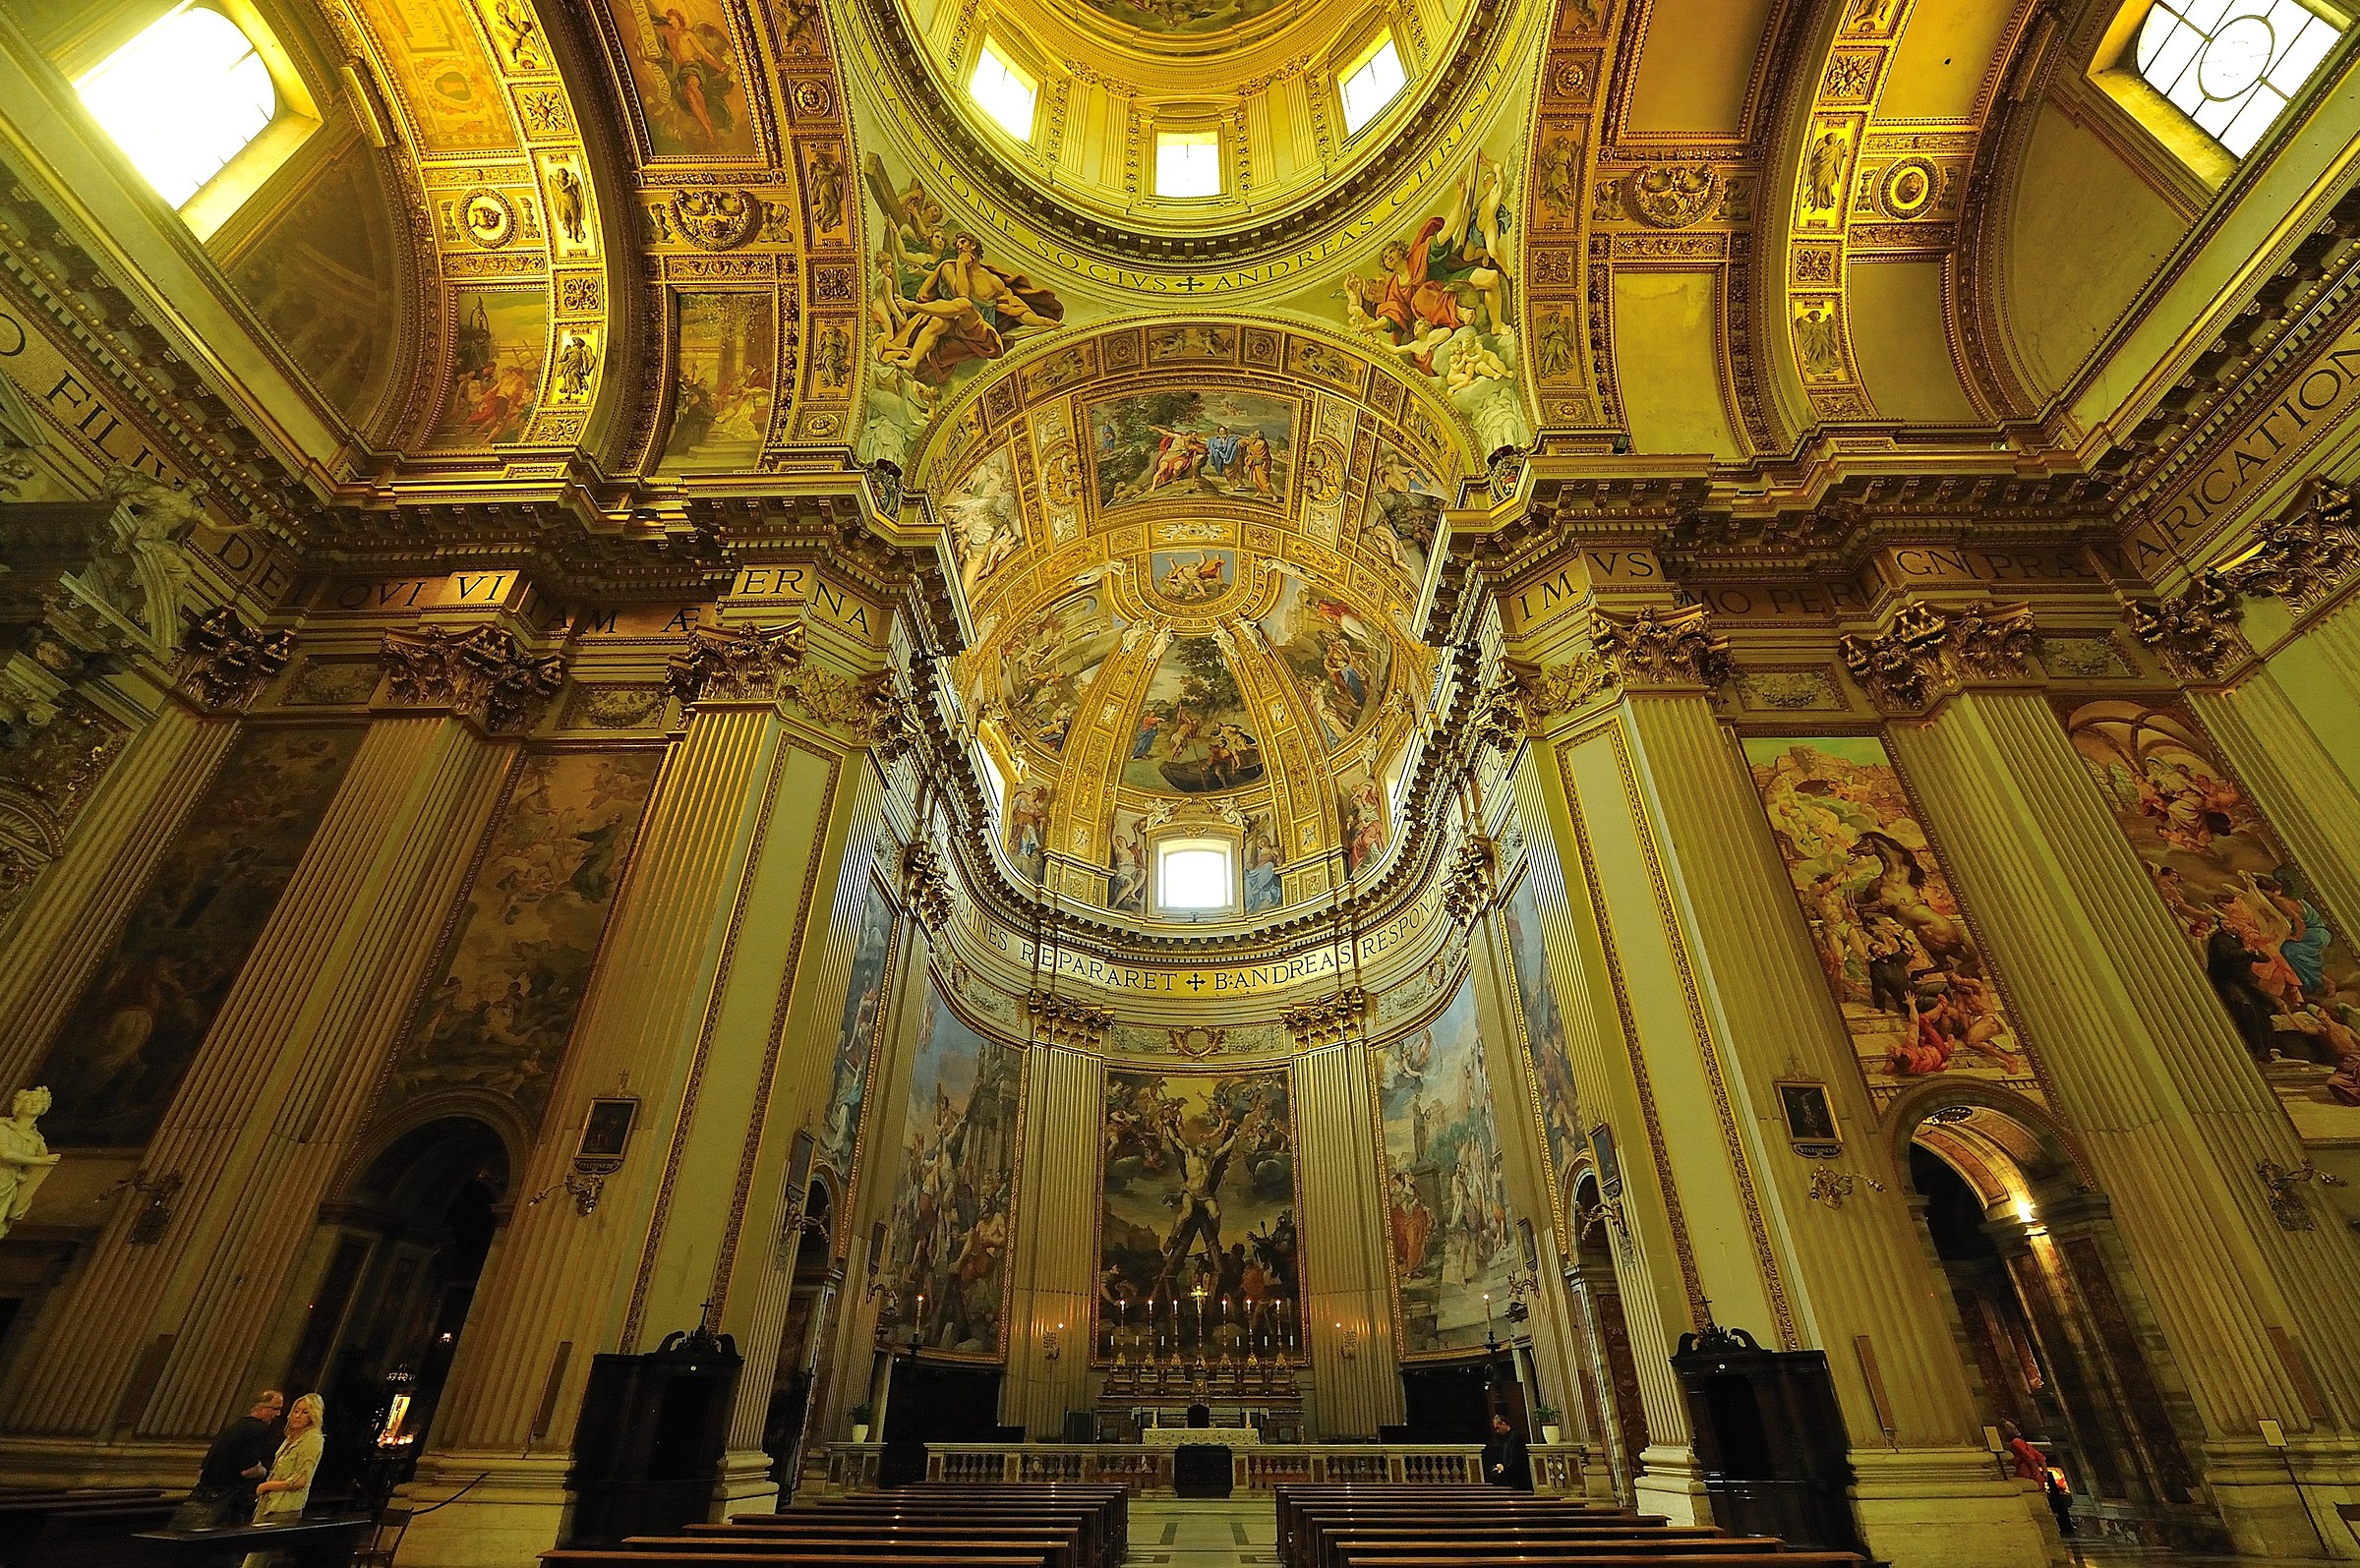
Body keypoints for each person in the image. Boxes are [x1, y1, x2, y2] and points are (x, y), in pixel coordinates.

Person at [172, 1389, 282, 1530]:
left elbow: (201, 1470)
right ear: (260, 1407)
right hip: (227, 1501)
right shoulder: (257, 1429)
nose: (278, 1414)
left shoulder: (232, 1427)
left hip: (203, 1495)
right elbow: (247, 1470)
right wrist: (264, 1471)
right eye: (275, 1409)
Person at [242, 1393, 324, 1568]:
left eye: (305, 1412)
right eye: (296, 1411)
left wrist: (267, 1485)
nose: (298, 1416)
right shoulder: (291, 1437)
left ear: (314, 1415)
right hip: (269, 1503)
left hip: (284, 1505)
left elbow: (302, 1479)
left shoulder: (313, 1439)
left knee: (256, 1559)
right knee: (254, 1554)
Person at [1482, 1413, 1531, 1490]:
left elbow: (1516, 1459)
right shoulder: (1506, 1439)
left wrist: (1504, 1468)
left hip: (1517, 1479)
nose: (1497, 1431)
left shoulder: (1515, 1437)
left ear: (1504, 1424)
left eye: (1498, 1428)